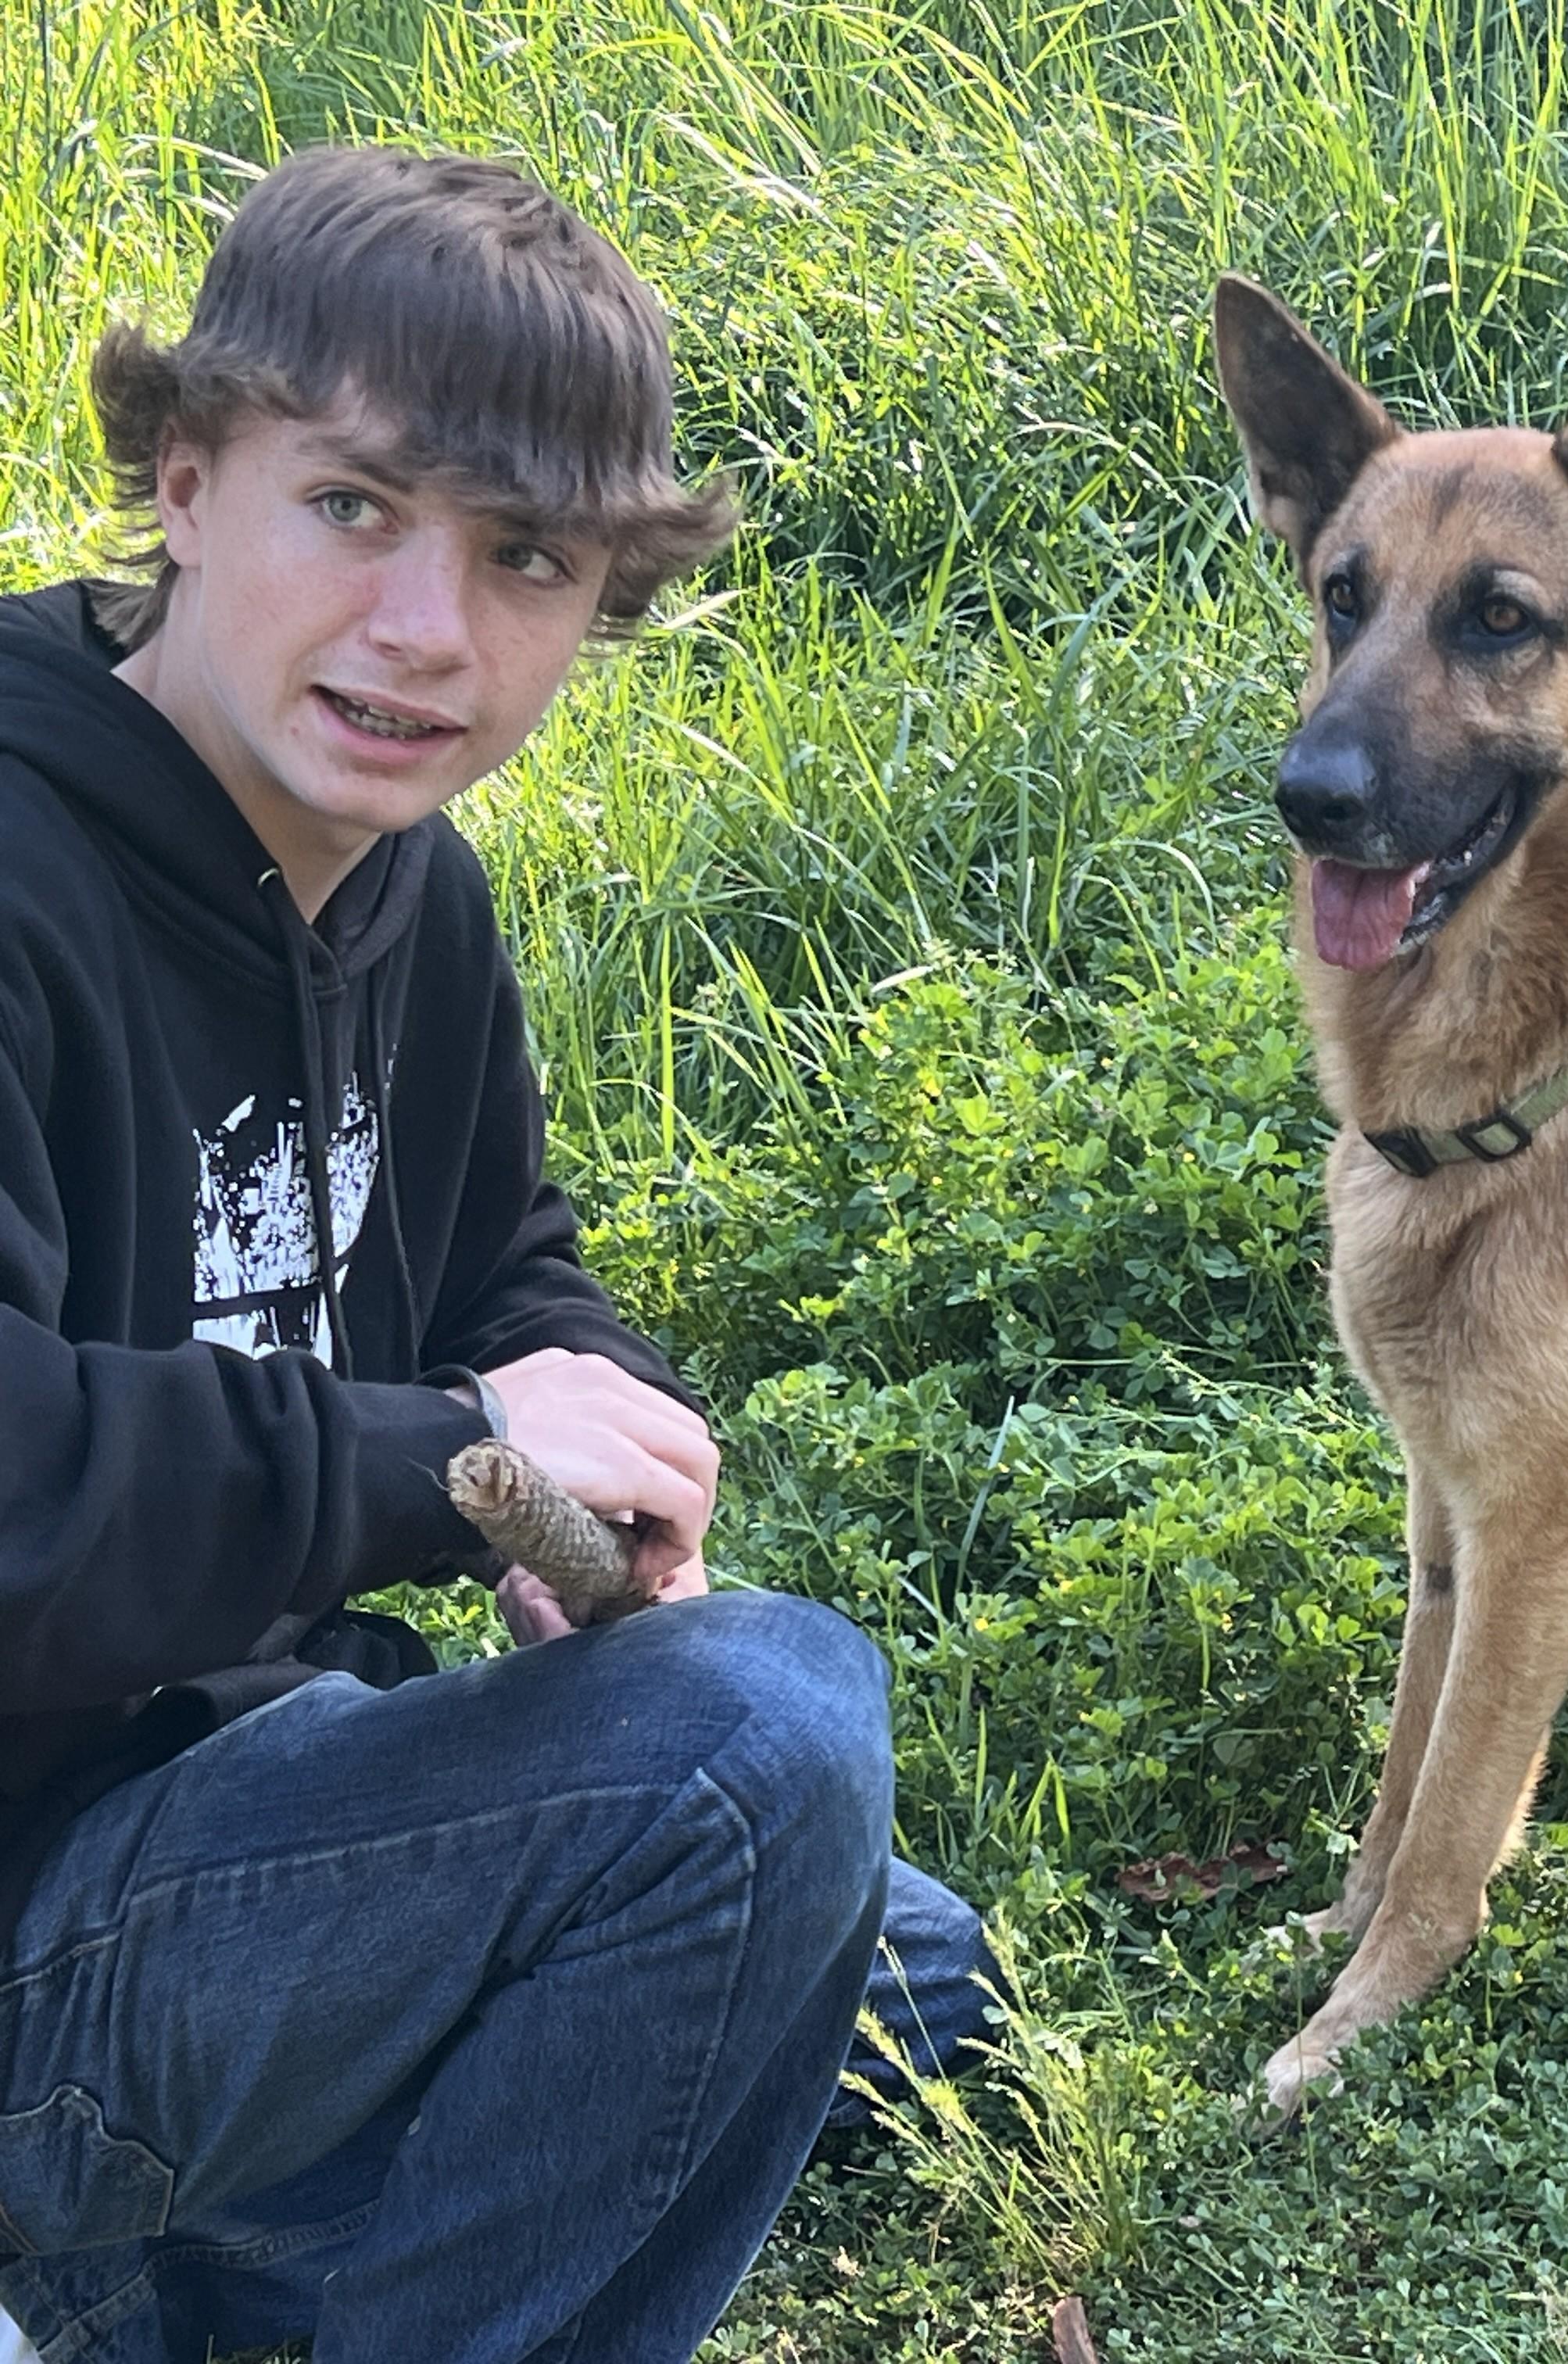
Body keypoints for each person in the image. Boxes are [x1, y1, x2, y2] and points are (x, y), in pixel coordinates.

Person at [0, 145, 993, 2363]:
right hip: (34, 1917)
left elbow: (493, 1272)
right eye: (354, 507)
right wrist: (444, 1456)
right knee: (757, 1768)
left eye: (523, 555)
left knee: (924, 1987)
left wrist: (584, 1465)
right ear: (186, 480)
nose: (427, 630)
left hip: (236, 1809)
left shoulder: (399, 887)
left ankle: (153, 2284)